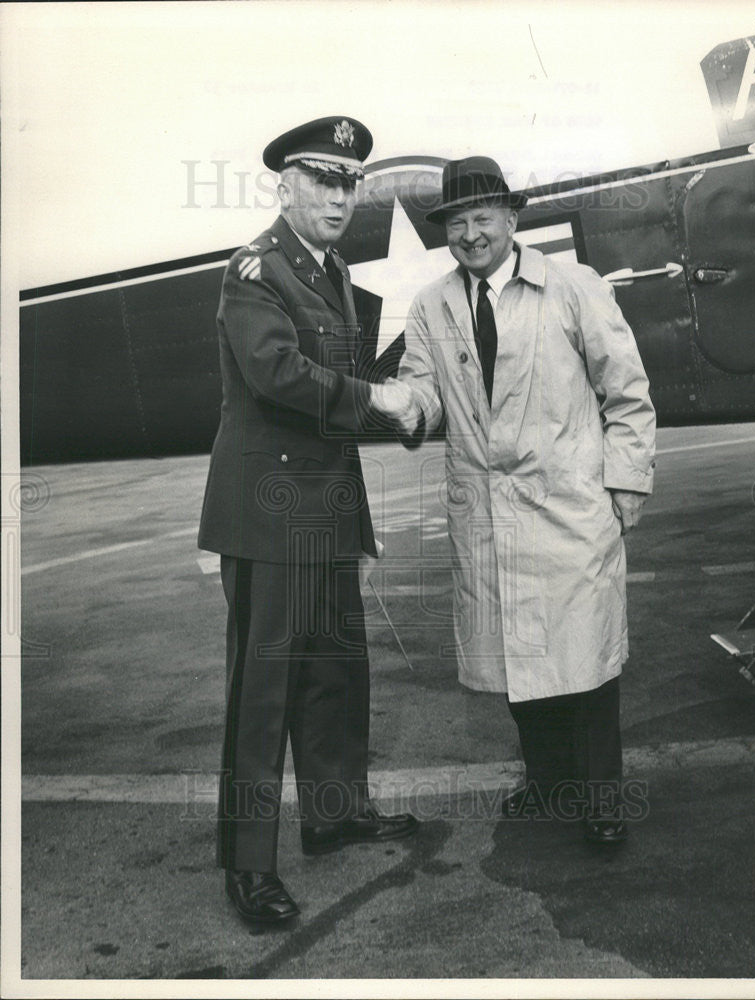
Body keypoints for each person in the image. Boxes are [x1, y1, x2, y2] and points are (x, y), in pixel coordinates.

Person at [390, 156, 656, 844]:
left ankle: (601, 801)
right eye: (457, 222)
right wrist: (399, 405)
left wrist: (626, 479)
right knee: (518, 659)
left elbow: (625, 390)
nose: (471, 234)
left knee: (587, 661)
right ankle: (549, 785)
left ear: (512, 219)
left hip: (567, 506)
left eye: (482, 218)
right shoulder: (431, 306)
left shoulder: (571, 286)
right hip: (485, 513)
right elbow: (422, 390)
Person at [198, 117, 418, 926]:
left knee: (334, 675)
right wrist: (376, 399)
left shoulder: (330, 273)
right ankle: (247, 865)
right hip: (268, 516)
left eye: (348, 181)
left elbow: (340, 400)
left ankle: (333, 815)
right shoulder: (254, 271)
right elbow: (278, 376)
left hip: (324, 513)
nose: (337, 194)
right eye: (320, 179)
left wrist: (400, 420)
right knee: (262, 696)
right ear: (284, 187)